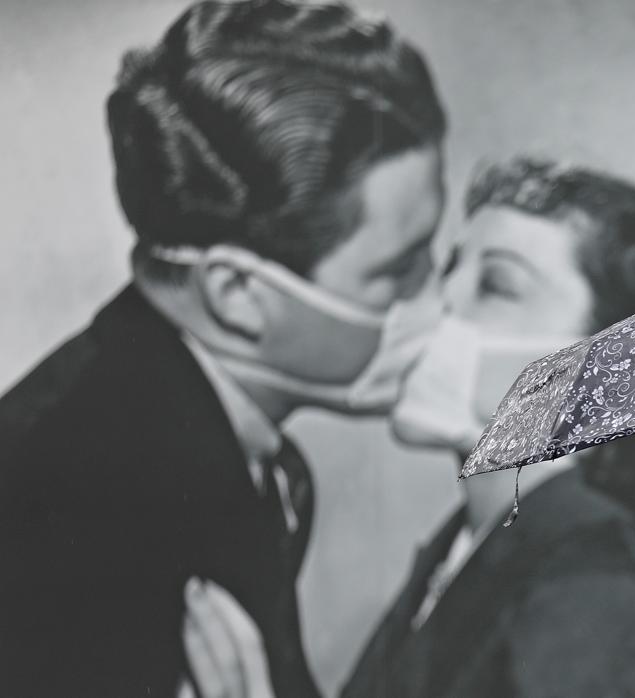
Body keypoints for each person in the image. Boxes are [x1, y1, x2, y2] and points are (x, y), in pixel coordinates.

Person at [0, 1, 448, 695]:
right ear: (237, 292)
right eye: (397, 269)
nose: (437, 298)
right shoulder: (77, 502)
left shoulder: (230, 447)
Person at [342, 158, 635, 697]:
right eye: (450, 269)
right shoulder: (472, 547)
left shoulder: (594, 592)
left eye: (496, 284)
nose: (438, 301)